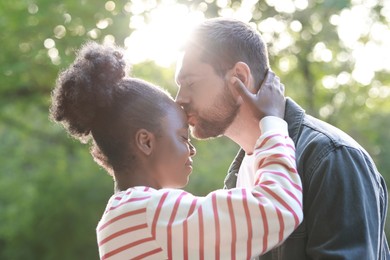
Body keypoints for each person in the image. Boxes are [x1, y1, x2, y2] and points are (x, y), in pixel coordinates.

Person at [49, 41, 303, 259]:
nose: (192, 150)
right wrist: (272, 123)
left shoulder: (117, 219)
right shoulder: (149, 213)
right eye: (183, 137)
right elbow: (278, 208)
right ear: (146, 142)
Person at [175, 17, 390, 259]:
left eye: (190, 83)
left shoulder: (331, 156)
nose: (179, 99)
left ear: (240, 78)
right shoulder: (237, 176)